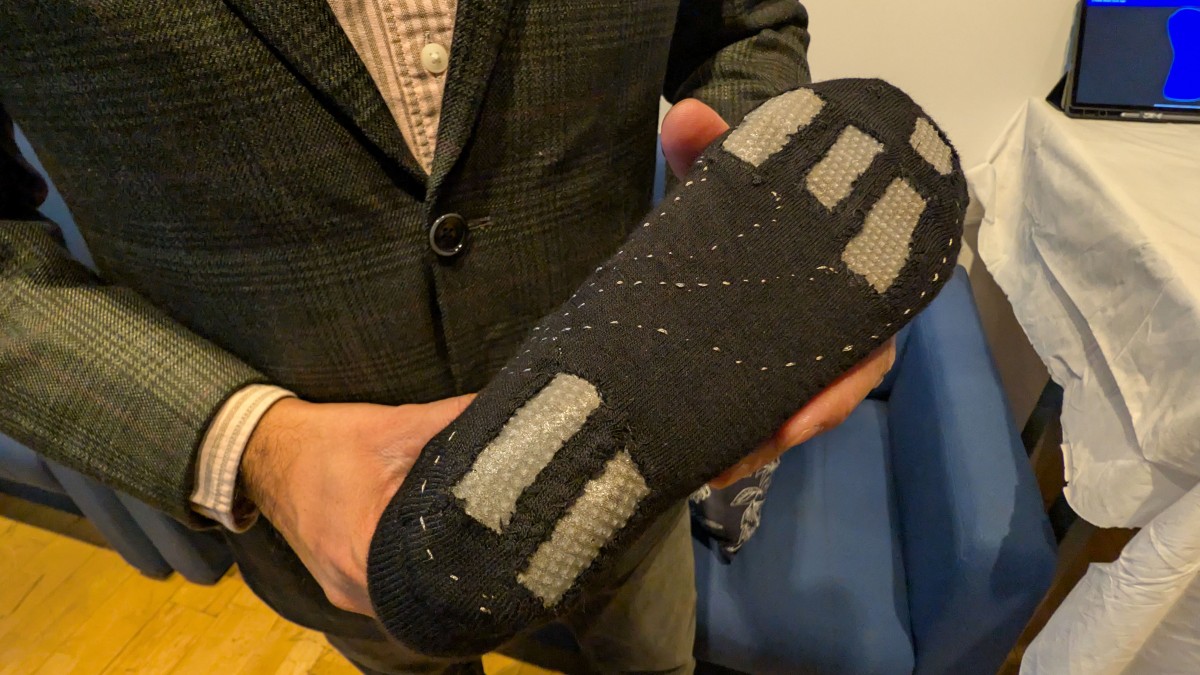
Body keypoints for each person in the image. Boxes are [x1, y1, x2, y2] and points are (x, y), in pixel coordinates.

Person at [0, 2, 894, 673]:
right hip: (343, 536)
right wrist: (251, 444)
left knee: (653, 658)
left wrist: (758, 226)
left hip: (634, 473)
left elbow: (744, 28)